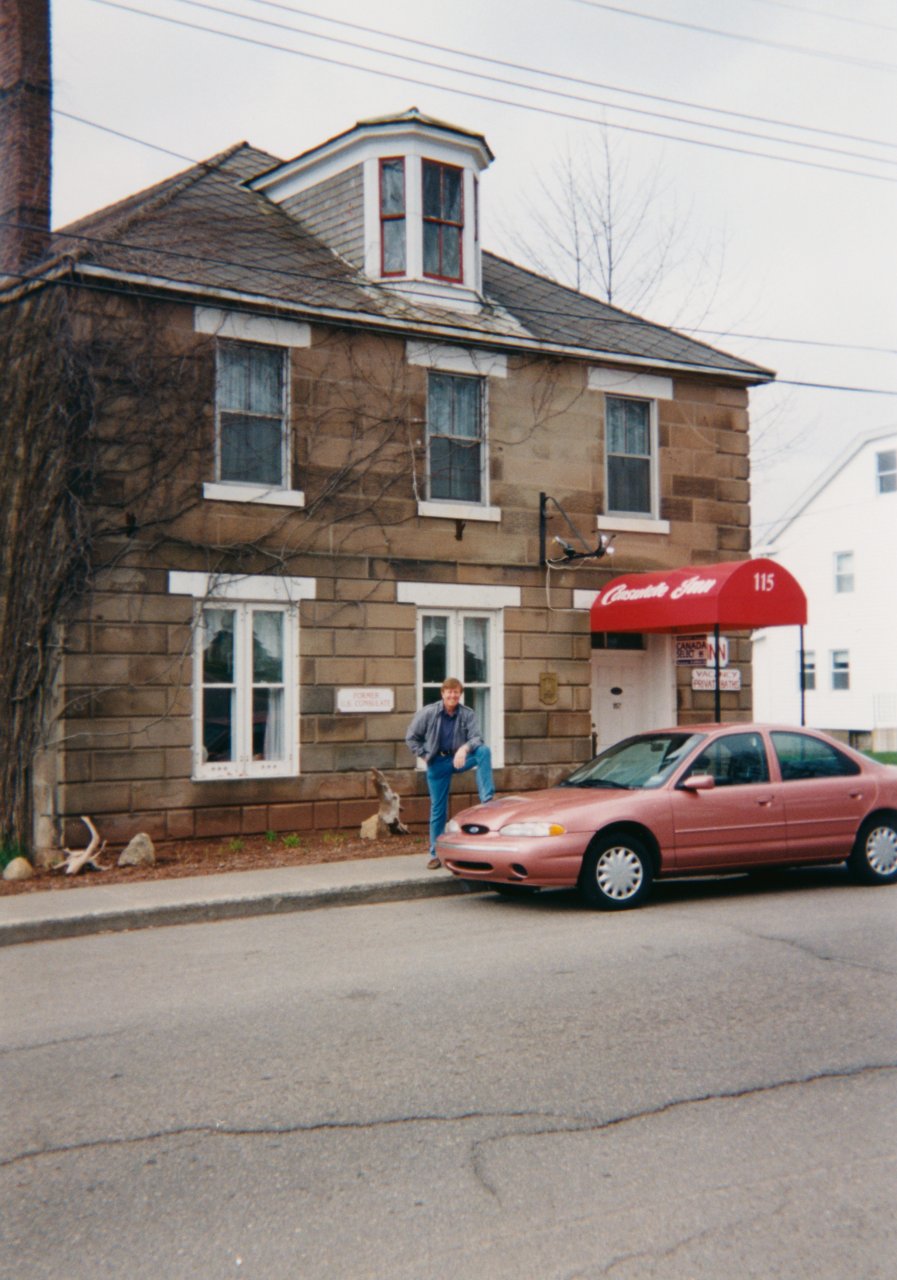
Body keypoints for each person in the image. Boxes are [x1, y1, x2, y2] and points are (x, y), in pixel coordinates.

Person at [405, 677, 495, 869]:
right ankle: (435, 853)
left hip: (458, 759)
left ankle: (487, 800)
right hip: (437, 762)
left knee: (483, 752)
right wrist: (424, 755)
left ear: (460, 694)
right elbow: (411, 737)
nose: (452, 695)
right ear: (443, 693)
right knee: (438, 809)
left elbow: (477, 738)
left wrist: (464, 749)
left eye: (456, 692)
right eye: (449, 692)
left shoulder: (467, 714)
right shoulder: (429, 713)